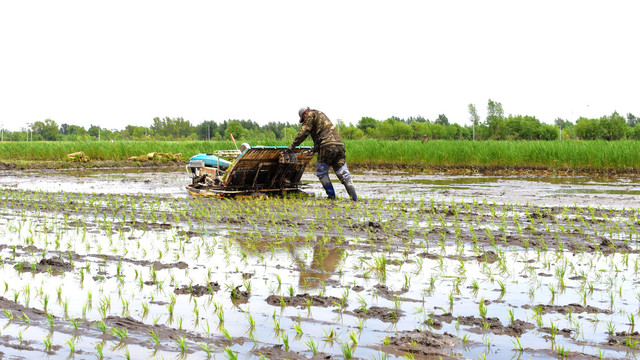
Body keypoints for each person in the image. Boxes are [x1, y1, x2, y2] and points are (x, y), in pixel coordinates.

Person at [288, 107, 357, 201]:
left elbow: (304, 131)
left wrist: (293, 146)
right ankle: (354, 198)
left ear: (304, 114)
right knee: (344, 173)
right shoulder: (321, 114)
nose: (304, 120)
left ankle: (331, 196)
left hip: (327, 146)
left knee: (322, 172)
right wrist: (315, 149)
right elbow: (322, 133)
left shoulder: (309, 115)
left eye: (303, 119)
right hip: (339, 145)